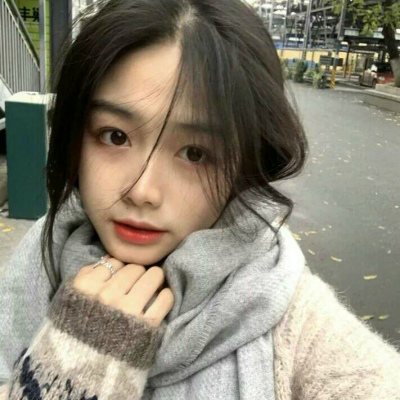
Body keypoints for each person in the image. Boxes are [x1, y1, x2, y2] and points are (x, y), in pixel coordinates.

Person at [1, 0, 400, 399]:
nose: (141, 191)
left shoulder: (292, 319)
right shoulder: (41, 257)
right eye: (115, 136)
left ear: (245, 164)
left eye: (195, 153)